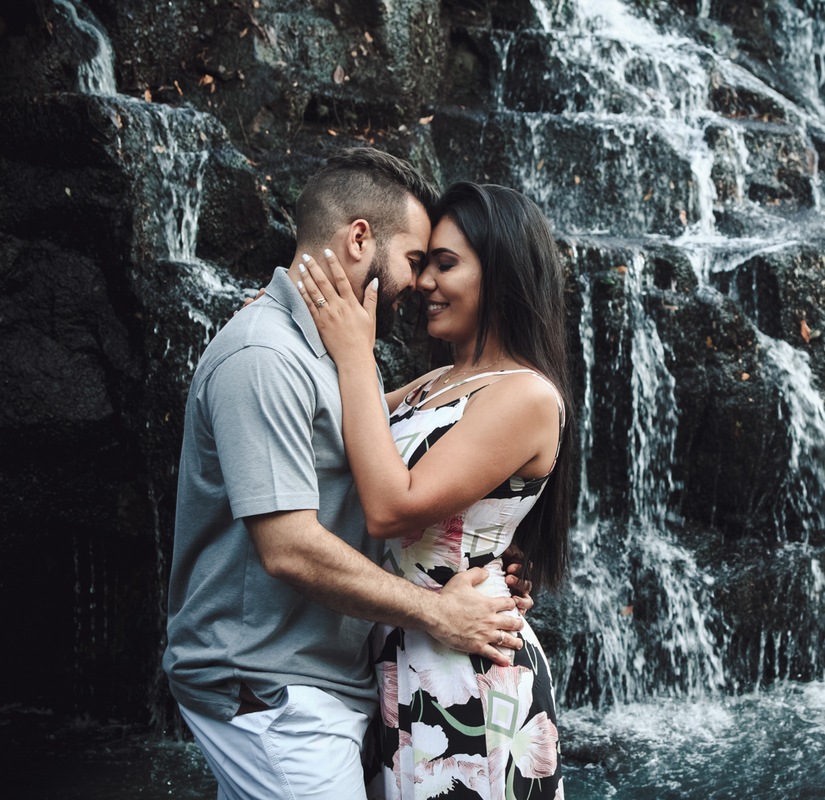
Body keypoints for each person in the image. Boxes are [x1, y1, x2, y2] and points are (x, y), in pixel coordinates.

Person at [162, 149, 531, 800]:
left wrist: (485, 544)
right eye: (417, 261)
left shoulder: (329, 363)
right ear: (360, 238)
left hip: (324, 679)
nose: (420, 285)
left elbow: (436, 427)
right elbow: (289, 549)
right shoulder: (266, 356)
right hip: (270, 686)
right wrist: (438, 614)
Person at [291, 181, 571, 800]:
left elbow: (392, 507)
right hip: (396, 652)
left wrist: (355, 354)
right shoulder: (437, 382)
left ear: (499, 271)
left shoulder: (524, 393)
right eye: (424, 264)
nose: (422, 283)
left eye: (446, 264)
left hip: (467, 670)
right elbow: (337, 442)